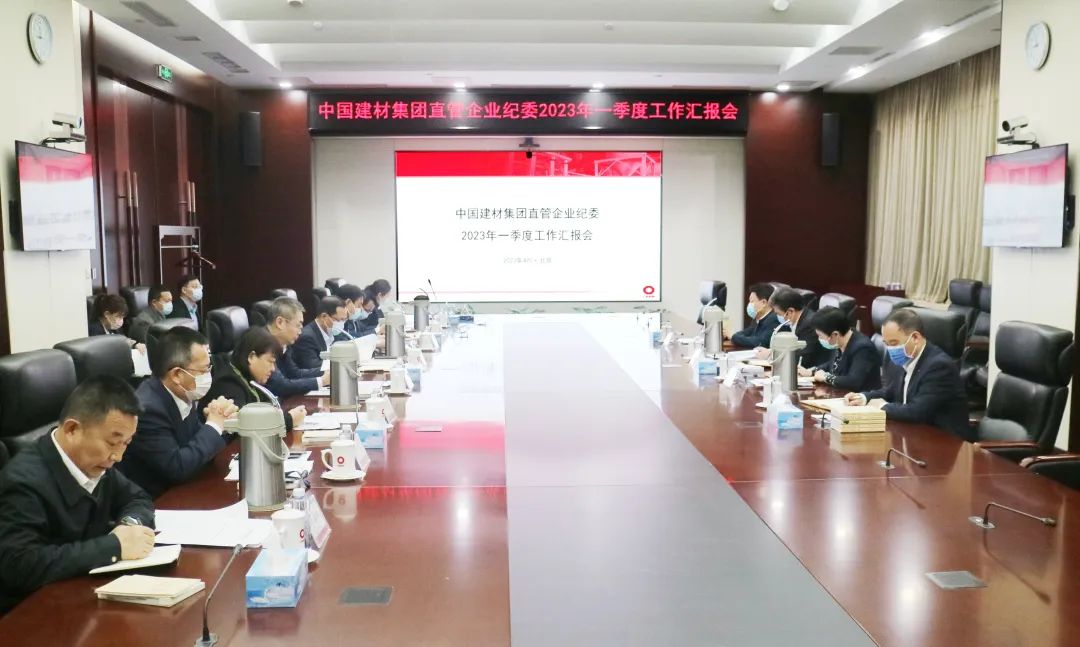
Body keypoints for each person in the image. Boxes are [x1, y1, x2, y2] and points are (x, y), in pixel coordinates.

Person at [0, 376, 156, 613]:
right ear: (72, 429)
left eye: (126, 443)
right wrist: (114, 546)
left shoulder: (94, 462)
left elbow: (137, 498)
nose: (118, 456)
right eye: (112, 442)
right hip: (32, 612)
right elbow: (20, 564)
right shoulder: (22, 483)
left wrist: (129, 526)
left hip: (84, 592)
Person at [118, 327, 239, 497]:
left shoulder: (181, 394)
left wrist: (222, 423)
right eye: (204, 370)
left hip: (186, 489)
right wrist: (213, 426)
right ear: (177, 375)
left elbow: (195, 448)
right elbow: (177, 467)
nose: (208, 376)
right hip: (158, 500)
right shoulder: (148, 409)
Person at [845, 308, 970, 440]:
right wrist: (864, 397)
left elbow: (917, 411)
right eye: (886, 344)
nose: (890, 349)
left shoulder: (939, 366)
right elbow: (891, 391)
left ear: (915, 338)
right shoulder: (904, 358)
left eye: (894, 343)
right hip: (911, 434)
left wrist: (880, 406)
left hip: (944, 441)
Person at [204, 327, 307, 432]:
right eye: (270, 361)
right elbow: (245, 424)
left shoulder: (250, 379)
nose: (273, 369)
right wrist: (288, 420)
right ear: (251, 357)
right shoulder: (228, 384)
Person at [799, 306, 881, 392]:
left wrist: (826, 377)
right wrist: (812, 371)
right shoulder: (840, 341)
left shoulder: (863, 348)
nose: (819, 339)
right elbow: (832, 364)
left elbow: (853, 381)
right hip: (840, 393)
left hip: (859, 396)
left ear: (835, 335)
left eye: (820, 335)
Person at [264, 297, 330, 399]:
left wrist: (327, 371)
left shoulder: (283, 343)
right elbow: (279, 385)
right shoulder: (262, 344)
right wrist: (322, 381)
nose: (301, 331)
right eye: (298, 325)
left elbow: (294, 373)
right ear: (280, 322)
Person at [755, 287, 832, 368]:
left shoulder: (809, 324)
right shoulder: (795, 321)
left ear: (790, 311)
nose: (777, 317)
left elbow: (802, 358)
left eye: (778, 314)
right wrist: (771, 351)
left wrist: (772, 355)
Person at [293, 296, 350, 370]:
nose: (342, 324)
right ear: (324, 316)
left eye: (344, 320)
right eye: (339, 320)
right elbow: (314, 367)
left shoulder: (333, 331)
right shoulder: (307, 337)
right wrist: (342, 364)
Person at [728, 283, 779, 349]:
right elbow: (745, 333)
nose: (749, 305)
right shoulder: (757, 319)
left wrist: (733, 336)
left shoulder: (774, 319)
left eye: (752, 301)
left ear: (763, 302)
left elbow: (759, 343)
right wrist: (734, 336)